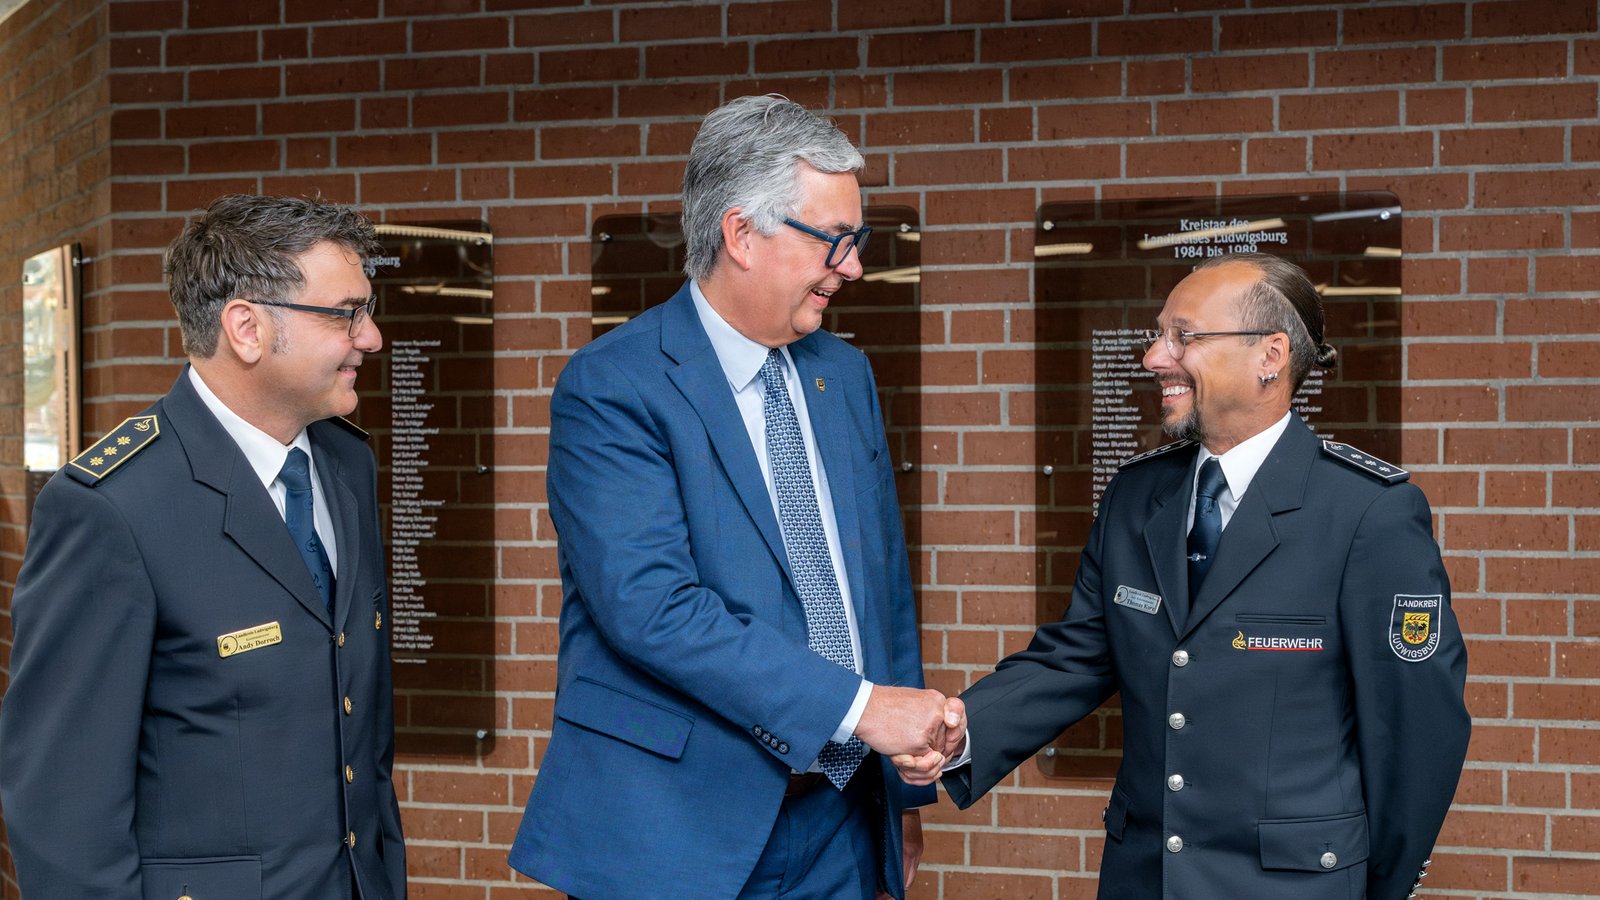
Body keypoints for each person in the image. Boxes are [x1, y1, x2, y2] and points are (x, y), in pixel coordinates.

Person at [906, 253, 1470, 899]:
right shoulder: (1137, 496)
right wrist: (963, 730)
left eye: (1184, 336)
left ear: (1271, 355)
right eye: (1159, 334)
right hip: (1143, 880)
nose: (1154, 357)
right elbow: (1076, 659)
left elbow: (1415, 730)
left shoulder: (1367, 511)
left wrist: (1376, 887)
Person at [508, 95, 955, 899]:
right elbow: (651, 606)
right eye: (836, 240)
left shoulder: (843, 375)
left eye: (861, 240)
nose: (853, 265)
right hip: (675, 832)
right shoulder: (614, 385)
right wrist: (861, 709)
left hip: (841, 825)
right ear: (742, 234)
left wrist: (904, 796)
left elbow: (879, 587)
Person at [0, 194, 407, 899]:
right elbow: (62, 812)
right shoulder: (112, 508)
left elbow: (362, 745)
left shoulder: (346, 465)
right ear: (246, 329)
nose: (370, 338)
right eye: (346, 313)